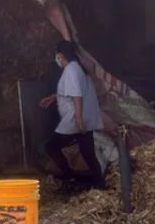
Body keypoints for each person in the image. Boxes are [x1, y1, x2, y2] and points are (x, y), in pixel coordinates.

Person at [39, 40, 106, 190]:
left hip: (74, 120)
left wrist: (77, 118)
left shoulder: (71, 70)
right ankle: (100, 185)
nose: (56, 57)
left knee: (51, 147)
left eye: (56, 54)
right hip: (83, 119)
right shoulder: (78, 69)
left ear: (61, 55)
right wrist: (55, 97)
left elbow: (77, 95)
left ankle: (72, 178)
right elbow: (73, 91)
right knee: (87, 152)